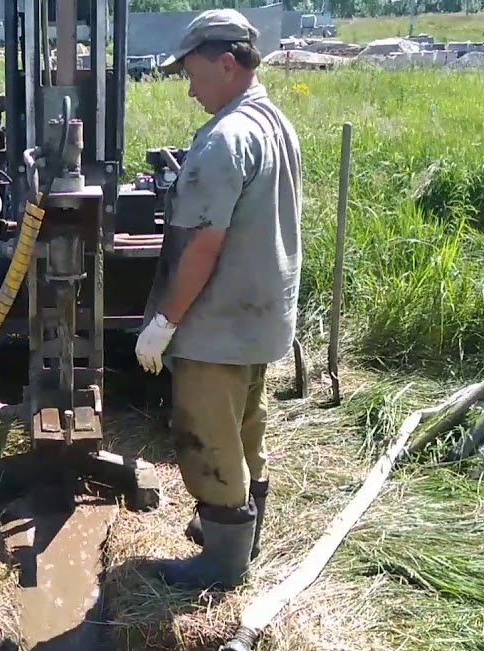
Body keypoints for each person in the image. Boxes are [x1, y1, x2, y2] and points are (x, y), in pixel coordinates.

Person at [134, 9, 304, 590]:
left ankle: (221, 564)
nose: (189, 88)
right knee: (246, 427)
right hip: (261, 316)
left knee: (205, 433)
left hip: (218, 323)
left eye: (193, 73)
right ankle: (240, 530)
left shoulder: (227, 137)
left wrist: (164, 321)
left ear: (227, 64)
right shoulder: (274, 122)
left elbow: (203, 248)